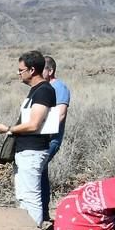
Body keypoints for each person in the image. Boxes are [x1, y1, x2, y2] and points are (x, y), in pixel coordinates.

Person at [0, 50, 55, 227]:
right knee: (23, 195)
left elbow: (34, 124)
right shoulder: (37, 91)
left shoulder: (43, 91)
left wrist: (8, 129)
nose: (18, 73)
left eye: (21, 70)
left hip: (33, 150)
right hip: (25, 150)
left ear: (32, 70)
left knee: (31, 196)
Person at [41, 56, 71, 220]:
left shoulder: (59, 88)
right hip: (41, 138)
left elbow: (60, 115)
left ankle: (43, 213)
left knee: (37, 170)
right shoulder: (45, 87)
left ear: (50, 70)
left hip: (51, 139)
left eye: (41, 69)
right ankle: (43, 213)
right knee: (40, 173)